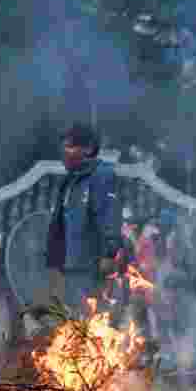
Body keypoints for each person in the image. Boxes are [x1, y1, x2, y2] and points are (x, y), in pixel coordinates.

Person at [45, 123, 122, 315]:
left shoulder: (101, 175)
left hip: (92, 270)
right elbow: (59, 226)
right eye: (64, 147)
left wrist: (109, 254)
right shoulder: (69, 181)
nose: (64, 152)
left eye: (71, 146)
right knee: (72, 331)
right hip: (70, 269)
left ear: (88, 149)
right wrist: (53, 262)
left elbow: (109, 214)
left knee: (93, 327)